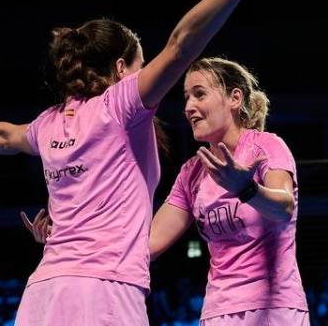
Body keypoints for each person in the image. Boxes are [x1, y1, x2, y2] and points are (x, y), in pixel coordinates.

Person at [0, 0, 292, 325]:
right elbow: (182, 44)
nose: (149, 76)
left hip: (44, 291)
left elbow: (5, 136)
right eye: (142, 65)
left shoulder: (50, 123)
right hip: (104, 291)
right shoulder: (120, 103)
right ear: (120, 67)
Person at [27, 57, 309, 325]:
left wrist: (246, 189)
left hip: (275, 308)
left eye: (200, 94)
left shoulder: (266, 146)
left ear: (235, 98)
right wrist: (64, 240)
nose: (189, 107)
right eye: (187, 97)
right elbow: (142, 247)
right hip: (217, 311)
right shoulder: (192, 173)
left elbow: (283, 209)